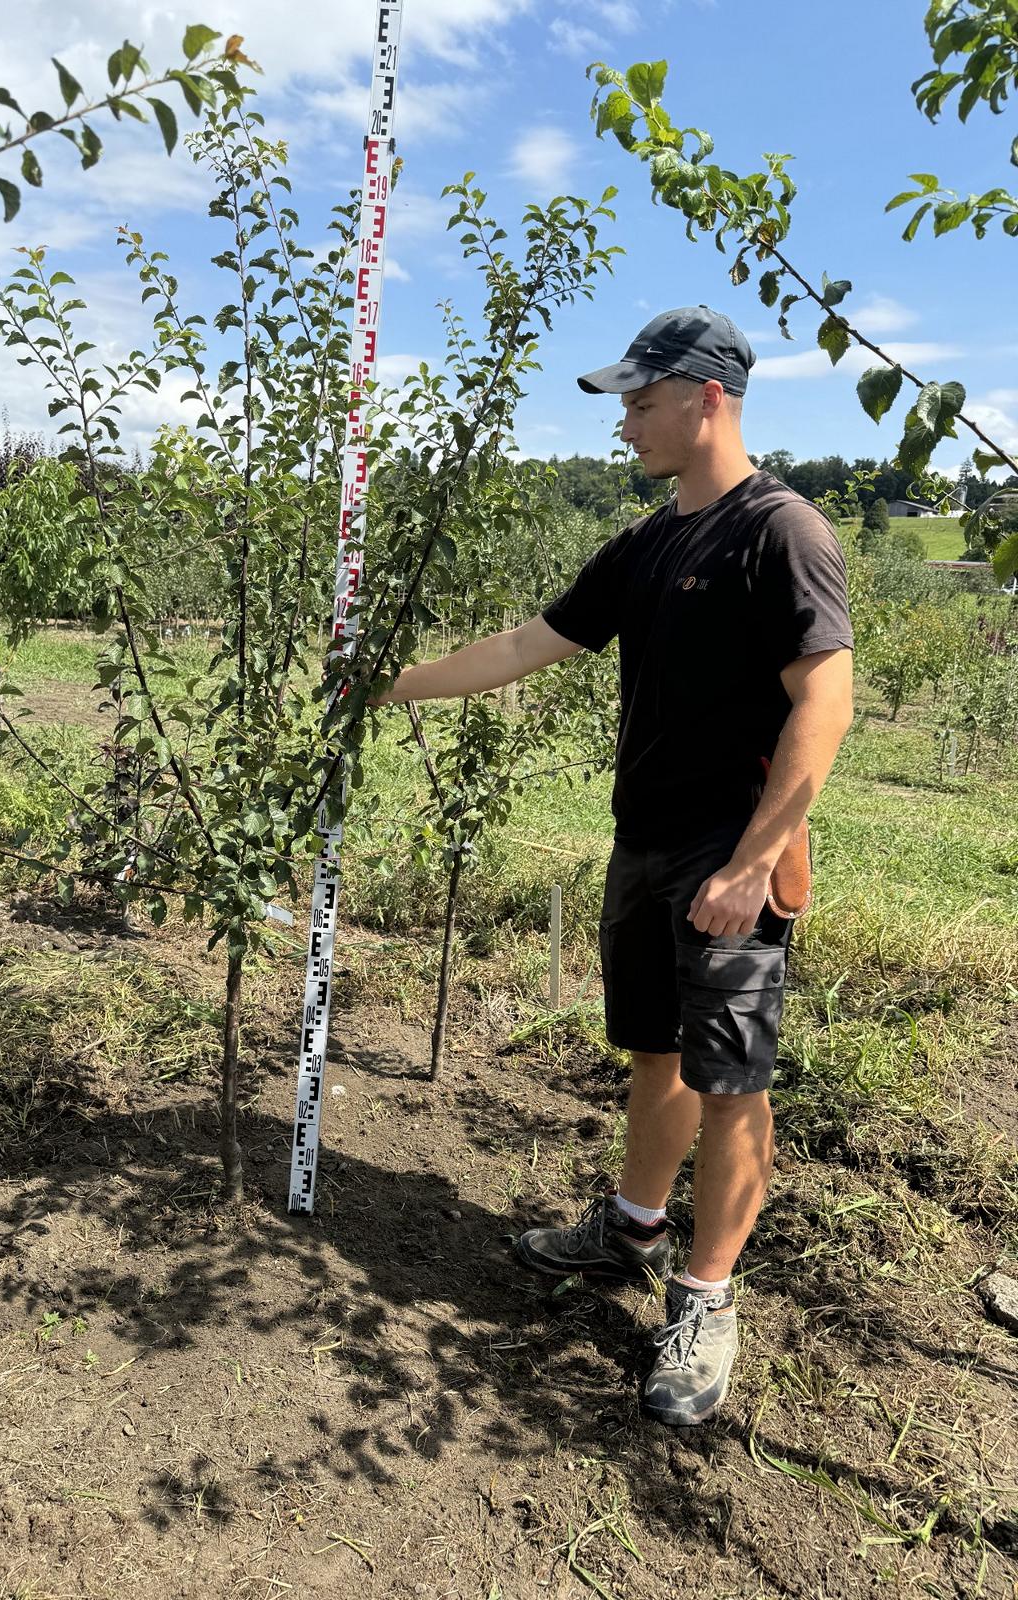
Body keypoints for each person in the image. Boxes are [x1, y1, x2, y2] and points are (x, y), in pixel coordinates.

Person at [372, 306, 855, 1427]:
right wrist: (390, 681)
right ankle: (634, 1228)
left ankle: (706, 1299)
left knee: (733, 1084)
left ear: (709, 397)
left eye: (642, 400)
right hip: (642, 847)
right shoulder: (647, 543)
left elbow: (824, 706)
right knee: (656, 1057)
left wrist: (755, 860)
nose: (627, 421)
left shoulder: (781, 532)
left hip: (729, 859)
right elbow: (525, 646)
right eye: (626, 402)